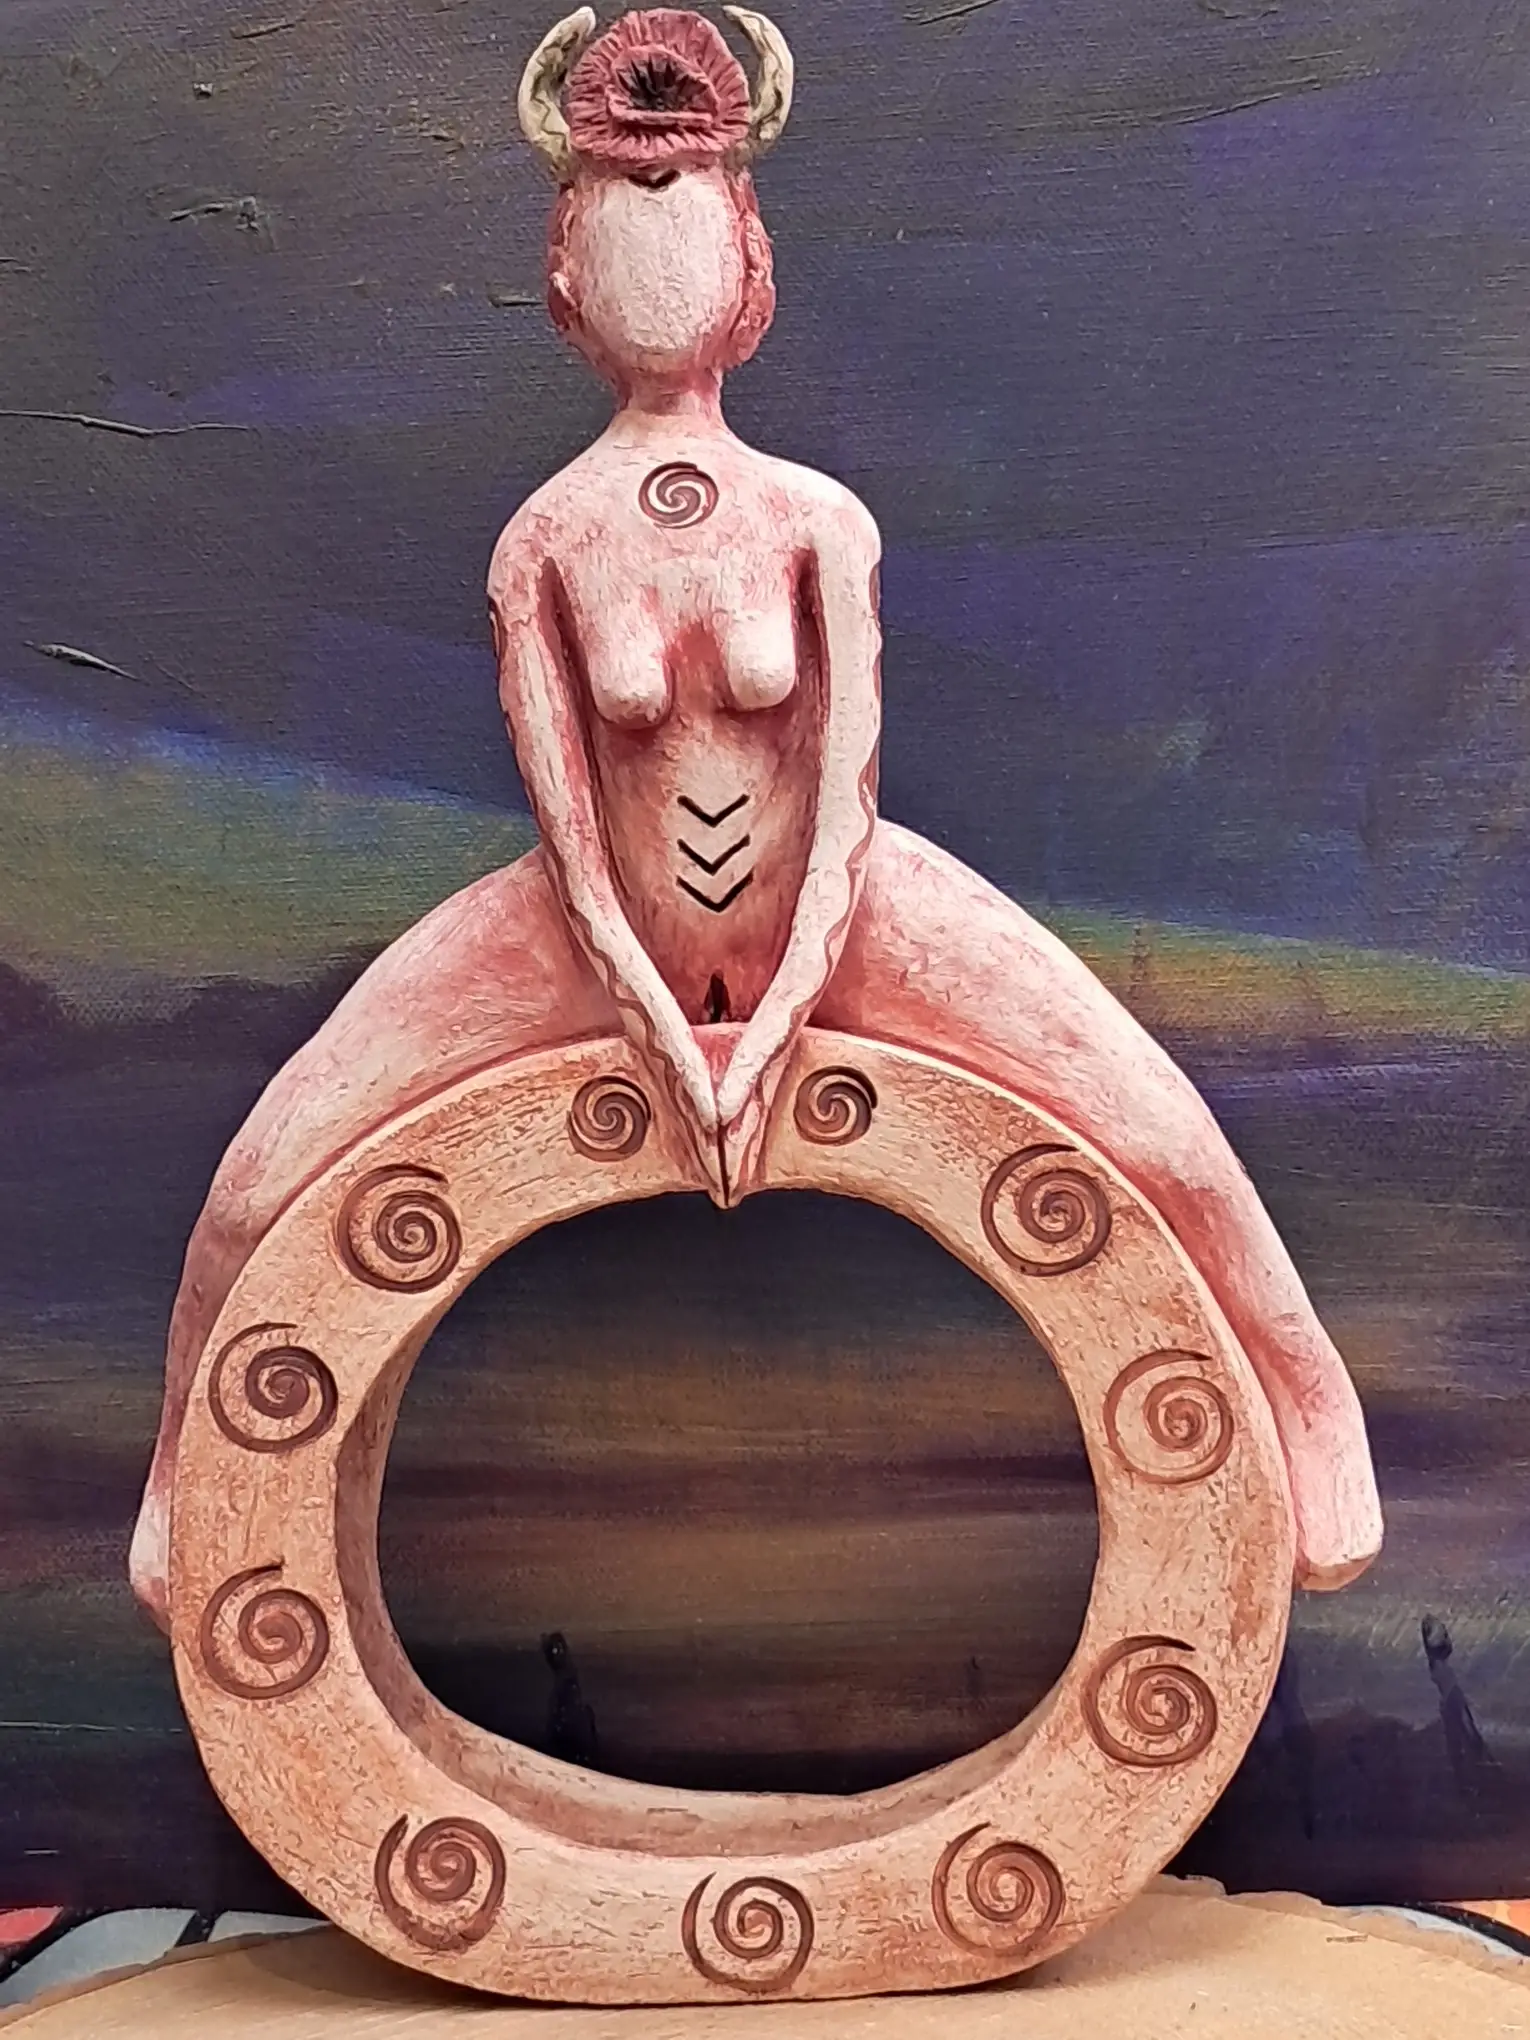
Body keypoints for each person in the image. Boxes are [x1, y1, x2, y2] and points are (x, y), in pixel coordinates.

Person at [129, 6, 1381, 1633]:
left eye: (687, 217)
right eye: (617, 222)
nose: (656, 258)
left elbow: (844, 789)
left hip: (840, 913)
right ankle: (182, 1490)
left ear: (747, 263)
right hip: (585, 939)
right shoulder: (544, 540)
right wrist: (658, 1023)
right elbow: (574, 834)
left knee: (1160, 1137)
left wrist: (784, 1006)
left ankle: (1307, 1402)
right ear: (565, 280)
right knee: (256, 1187)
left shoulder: (814, 520)